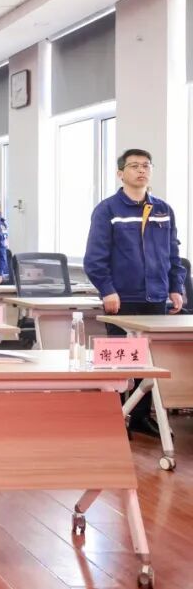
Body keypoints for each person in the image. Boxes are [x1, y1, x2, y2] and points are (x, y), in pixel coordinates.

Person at [84, 148, 185, 438]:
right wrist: (107, 290)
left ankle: (140, 417)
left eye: (146, 165)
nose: (141, 170)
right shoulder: (108, 210)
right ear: (120, 173)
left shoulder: (163, 209)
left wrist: (176, 287)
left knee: (148, 362)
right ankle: (115, 418)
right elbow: (95, 258)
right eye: (134, 166)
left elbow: (173, 253)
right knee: (120, 360)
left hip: (155, 298)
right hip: (122, 298)